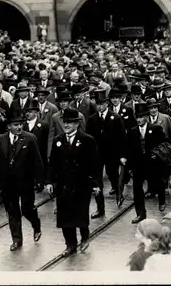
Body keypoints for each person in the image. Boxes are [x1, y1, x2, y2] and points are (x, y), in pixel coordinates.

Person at [46, 108, 100, 257]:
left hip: (82, 184)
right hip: (63, 185)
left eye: (70, 122)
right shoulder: (58, 140)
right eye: (65, 122)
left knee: (80, 213)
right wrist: (49, 181)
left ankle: (84, 236)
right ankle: (70, 245)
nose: (67, 124)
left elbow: (94, 164)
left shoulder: (87, 140)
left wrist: (95, 184)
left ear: (77, 123)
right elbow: (52, 164)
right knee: (64, 216)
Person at [0, 107, 45, 251]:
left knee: (27, 209)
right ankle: (17, 240)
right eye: (15, 125)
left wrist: (40, 180)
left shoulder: (30, 139)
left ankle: (36, 224)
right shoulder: (2, 139)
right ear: (9, 126)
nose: (19, 127)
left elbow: (37, 161)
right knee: (13, 212)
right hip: (7, 182)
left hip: (25, 182)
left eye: (21, 124)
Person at [86, 89, 127, 218]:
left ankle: (118, 191)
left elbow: (122, 138)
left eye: (102, 103)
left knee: (113, 174)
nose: (99, 106)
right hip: (97, 155)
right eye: (97, 104)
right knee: (97, 182)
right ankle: (100, 208)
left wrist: (122, 155)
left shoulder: (115, 117)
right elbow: (88, 138)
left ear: (107, 104)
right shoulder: (92, 119)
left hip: (112, 154)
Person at [127, 102, 170, 222]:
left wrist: (157, 154)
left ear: (146, 117)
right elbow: (129, 149)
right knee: (137, 189)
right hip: (138, 165)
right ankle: (141, 213)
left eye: (141, 117)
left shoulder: (155, 129)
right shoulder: (132, 131)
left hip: (153, 163)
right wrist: (130, 165)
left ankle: (161, 200)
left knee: (158, 182)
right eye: (137, 117)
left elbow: (166, 143)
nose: (139, 119)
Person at [23, 98, 50, 181]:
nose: (27, 114)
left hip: (40, 154)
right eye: (26, 111)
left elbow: (47, 140)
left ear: (36, 112)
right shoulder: (23, 125)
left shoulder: (43, 125)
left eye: (30, 112)